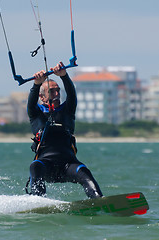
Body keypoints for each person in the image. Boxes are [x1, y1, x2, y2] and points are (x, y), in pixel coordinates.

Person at [27, 61, 103, 199]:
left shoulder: (67, 111)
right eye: (51, 91)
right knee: (35, 167)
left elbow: (72, 95)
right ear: (42, 97)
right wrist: (37, 84)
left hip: (69, 165)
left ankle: (99, 200)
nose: (56, 93)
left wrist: (64, 76)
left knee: (85, 172)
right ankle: (38, 202)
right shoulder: (36, 114)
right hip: (46, 165)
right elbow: (31, 104)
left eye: (58, 90)